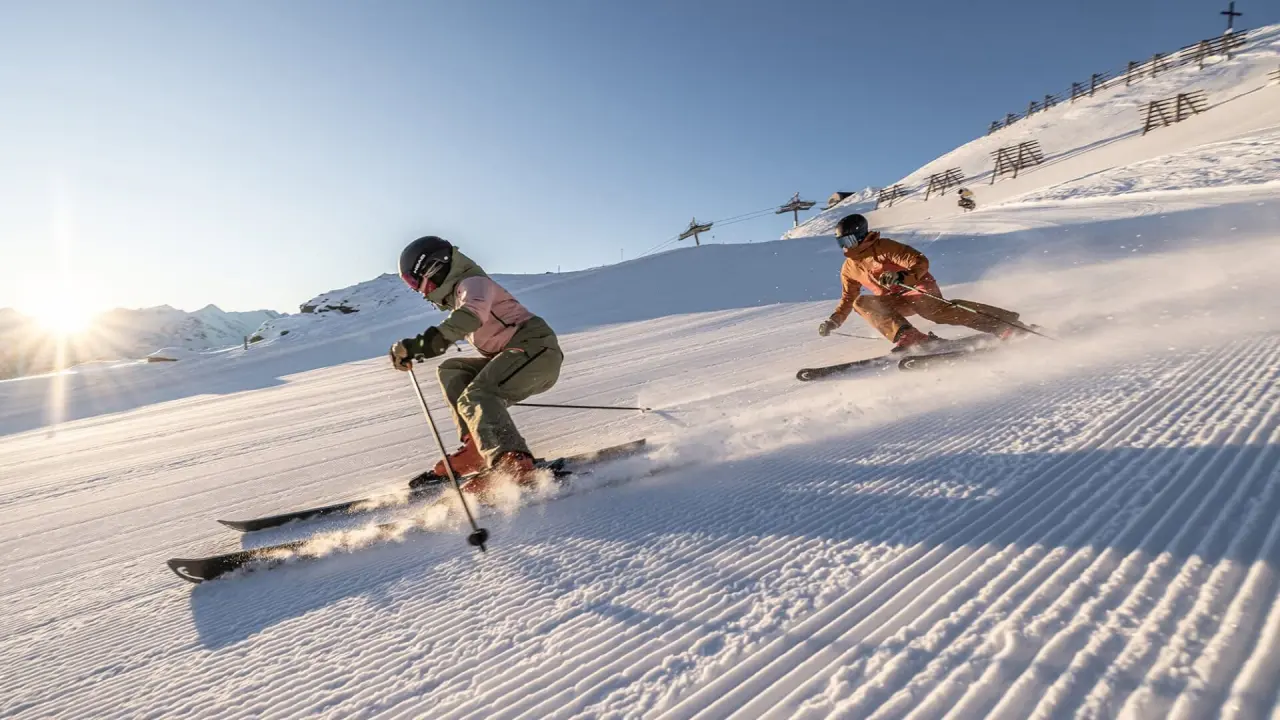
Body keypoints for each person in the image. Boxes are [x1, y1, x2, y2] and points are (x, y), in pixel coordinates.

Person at [390, 236, 563, 494]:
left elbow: (469, 317)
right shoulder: (460, 294)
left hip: (536, 351)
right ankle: (476, 450)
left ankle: (513, 463)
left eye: (414, 281)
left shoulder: (474, 284)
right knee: (452, 370)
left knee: (478, 393)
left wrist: (418, 346)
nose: (417, 289)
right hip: (514, 356)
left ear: (434, 268)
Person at [817, 214, 1027, 352]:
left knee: (934, 312)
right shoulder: (849, 268)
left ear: (862, 236)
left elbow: (919, 261)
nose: (845, 247)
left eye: (849, 241)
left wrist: (903, 277)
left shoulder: (884, 247)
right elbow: (848, 298)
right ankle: (909, 336)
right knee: (862, 302)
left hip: (915, 287)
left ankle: (1002, 325)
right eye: (841, 243)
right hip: (893, 299)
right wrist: (834, 321)